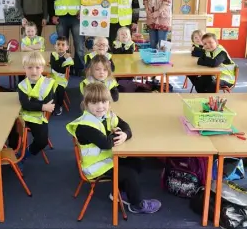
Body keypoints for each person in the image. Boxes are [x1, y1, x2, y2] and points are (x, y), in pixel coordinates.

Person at [66, 83, 162, 214]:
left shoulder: (108, 115)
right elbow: (106, 143)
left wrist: (124, 134)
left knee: (137, 160)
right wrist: (116, 134)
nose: (100, 106)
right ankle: (137, 205)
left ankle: (119, 192)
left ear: (109, 102)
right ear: (86, 104)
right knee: (129, 174)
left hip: (108, 157)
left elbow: (125, 125)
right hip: (96, 166)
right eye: (94, 102)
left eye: (104, 101)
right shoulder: (85, 125)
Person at [47, 0, 91, 74]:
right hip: (60, 18)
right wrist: (52, 16)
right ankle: (64, 69)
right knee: (62, 46)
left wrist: (83, 11)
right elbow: (49, 0)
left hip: (77, 17)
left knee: (80, 46)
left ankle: (80, 70)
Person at [17, 52, 55, 165]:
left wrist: (32, 103)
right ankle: (15, 153)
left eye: (37, 67)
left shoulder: (48, 83)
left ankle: (26, 153)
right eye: (30, 67)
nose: (34, 71)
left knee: (42, 141)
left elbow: (50, 103)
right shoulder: (22, 85)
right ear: (24, 68)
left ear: (42, 68)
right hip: (23, 115)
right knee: (11, 131)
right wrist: (42, 106)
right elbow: (25, 105)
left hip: (39, 117)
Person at [49, 36, 74, 116]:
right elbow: (55, 67)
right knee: (45, 87)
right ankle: (49, 104)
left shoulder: (69, 59)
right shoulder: (53, 54)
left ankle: (59, 105)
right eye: (58, 44)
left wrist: (60, 61)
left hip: (62, 79)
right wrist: (62, 59)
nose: (60, 46)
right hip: (51, 76)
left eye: (63, 45)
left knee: (60, 90)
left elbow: (61, 70)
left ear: (67, 47)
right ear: (55, 46)